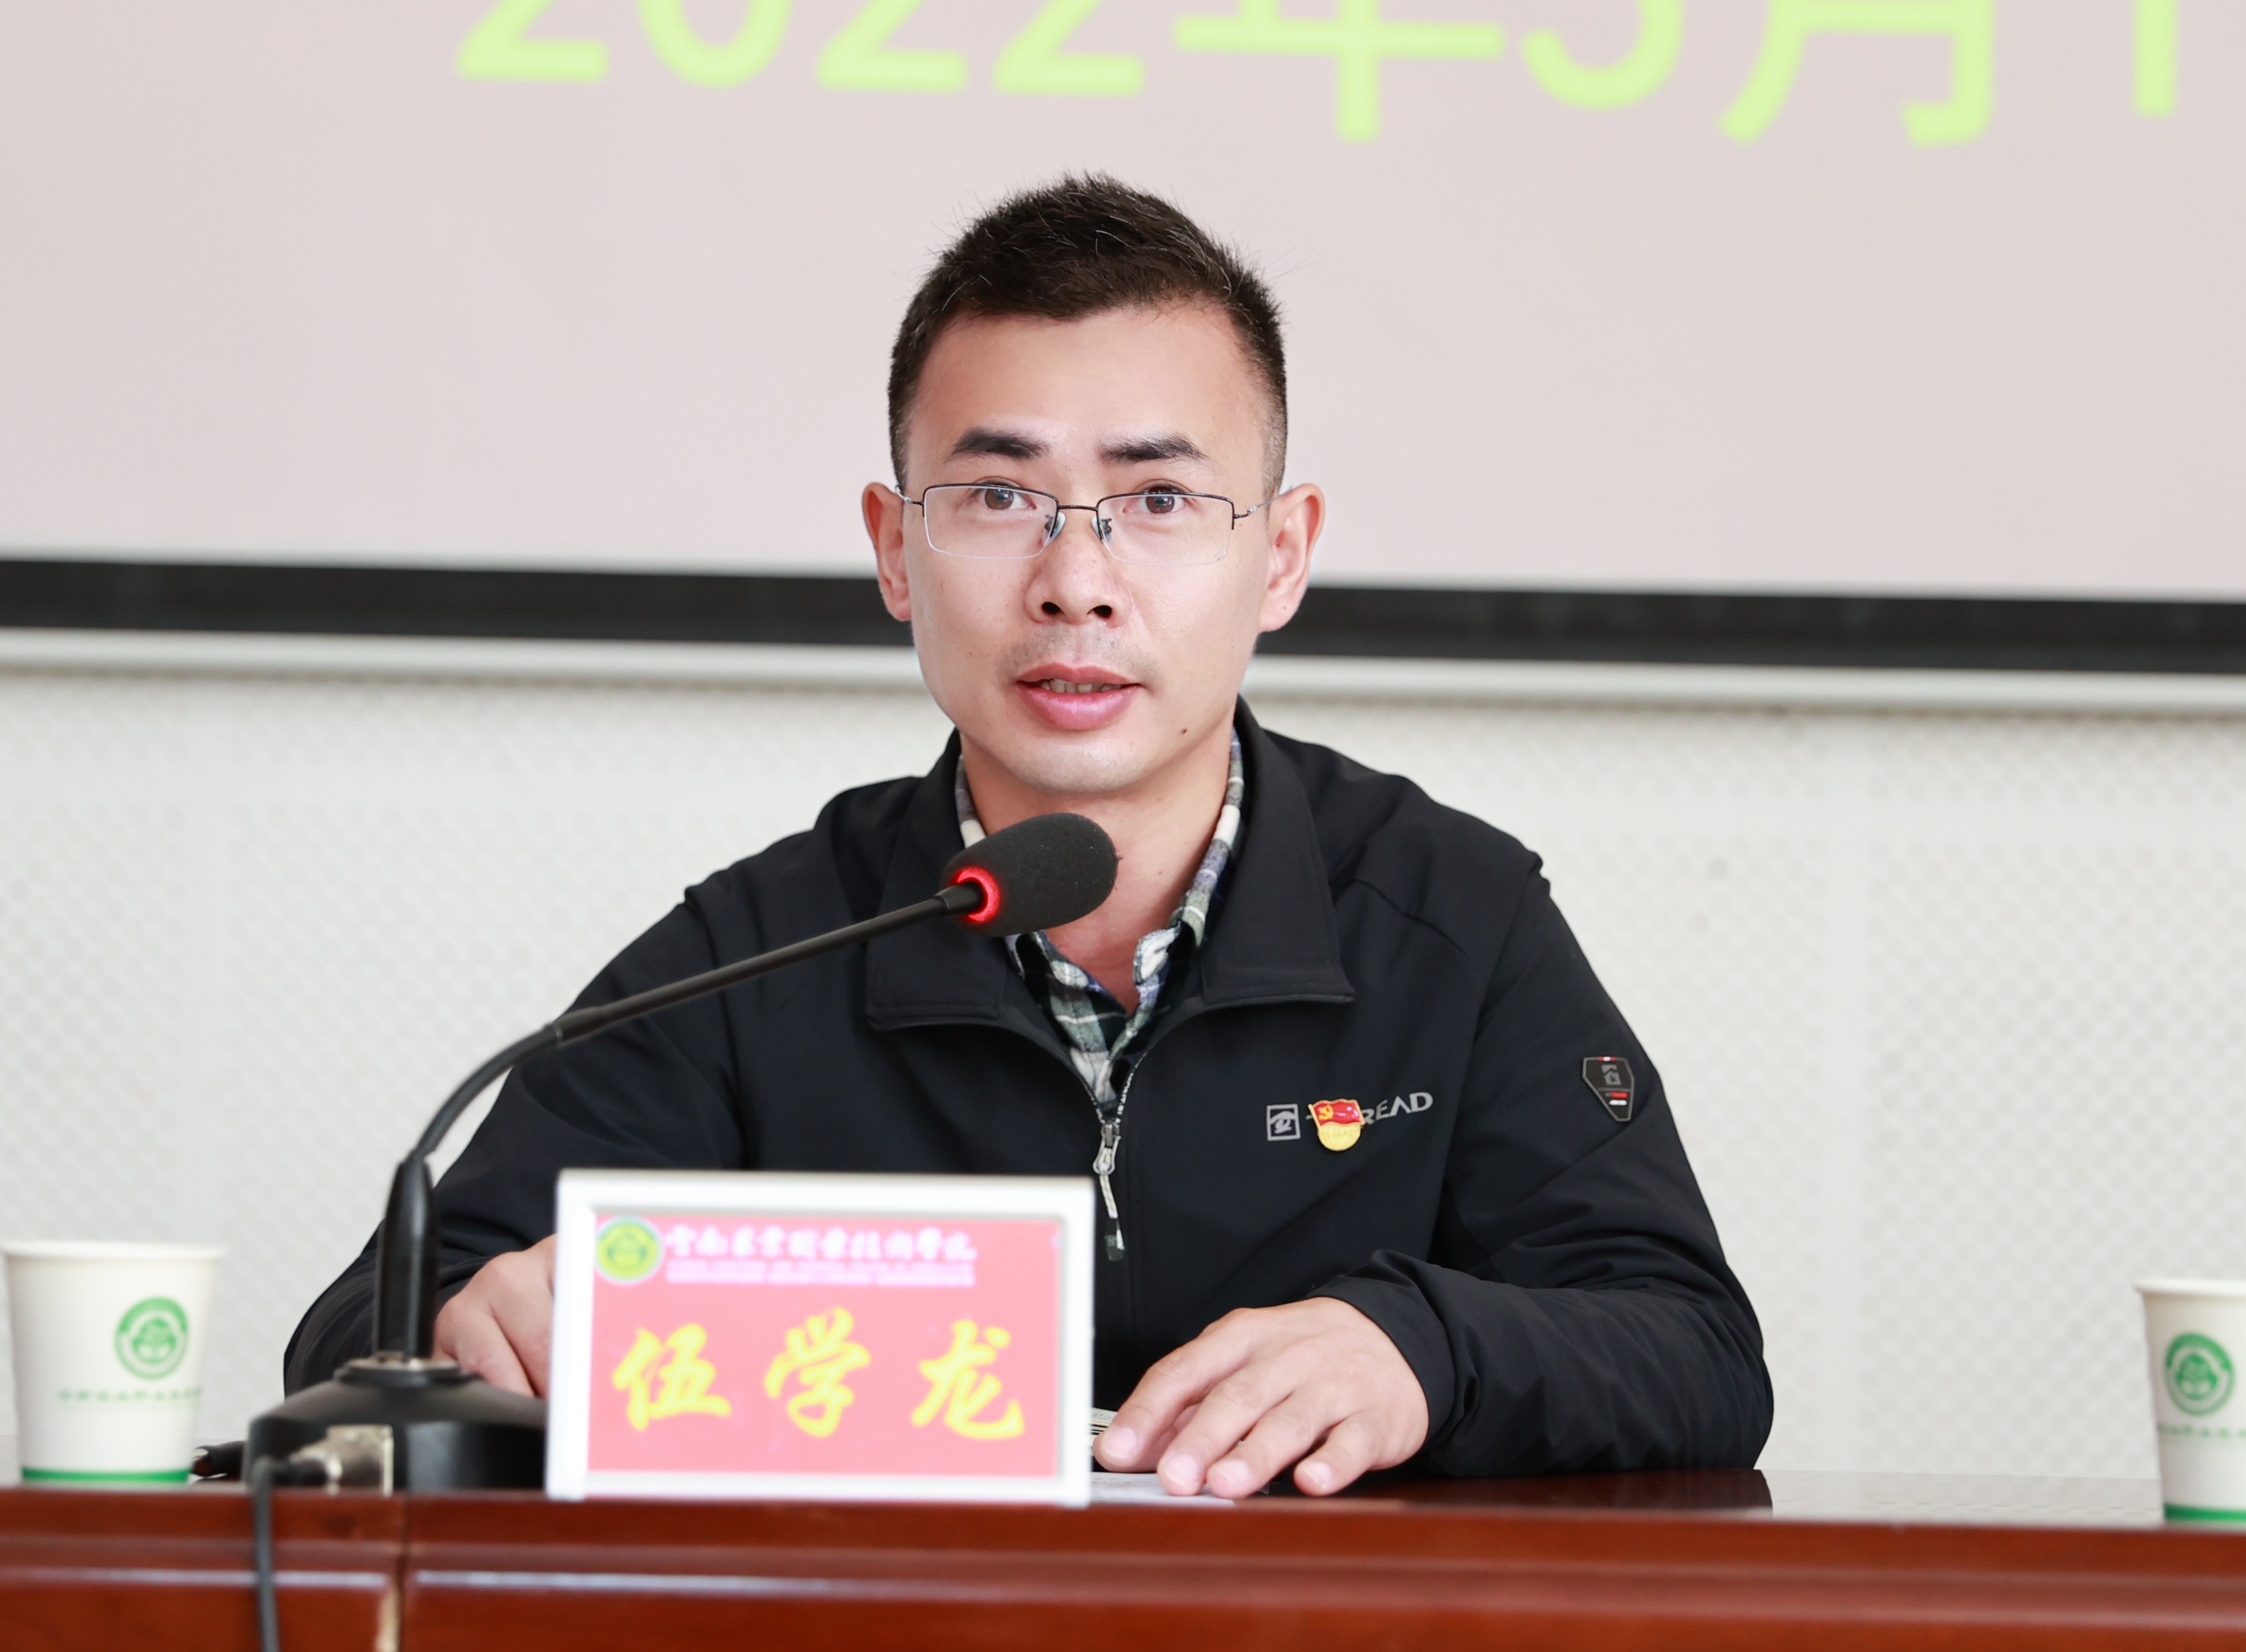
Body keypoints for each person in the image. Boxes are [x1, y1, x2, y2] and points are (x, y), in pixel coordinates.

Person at [288, 175, 1771, 1497]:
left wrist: (1422, 1351)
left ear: (1281, 556)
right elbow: (362, 1330)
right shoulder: (765, 951)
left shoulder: (1451, 918)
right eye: (999, 496)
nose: (1075, 580)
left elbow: (1693, 1347)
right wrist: (469, 1321)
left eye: (1158, 498)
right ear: (894, 550)